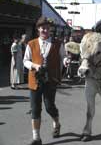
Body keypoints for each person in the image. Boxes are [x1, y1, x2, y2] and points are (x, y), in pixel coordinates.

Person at [23, 16, 65, 145]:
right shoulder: (31, 43)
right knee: (35, 109)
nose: (45, 30)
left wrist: (66, 61)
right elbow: (25, 61)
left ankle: (57, 124)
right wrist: (34, 66)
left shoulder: (58, 43)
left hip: (51, 80)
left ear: (50, 29)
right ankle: (36, 138)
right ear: (38, 29)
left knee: (49, 107)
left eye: (47, 28)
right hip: (34, 80)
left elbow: (63, 58)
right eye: (42, 28)